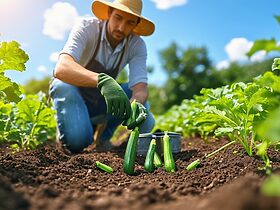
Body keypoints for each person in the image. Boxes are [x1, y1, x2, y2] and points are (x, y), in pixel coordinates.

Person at [49, 0, 156, 153]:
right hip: (77, 99)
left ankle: (104, 136)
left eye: (129, 23)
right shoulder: (88, 28)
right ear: (109, 13)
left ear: (135, 25)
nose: (121, 27)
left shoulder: (136, 45)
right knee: (77, 141)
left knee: (145, 116)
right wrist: (102, 81)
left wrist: (135, 102)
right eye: (118, 18)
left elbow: (140, 88)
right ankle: (74, 127)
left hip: (104, 103)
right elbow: (61, 68)